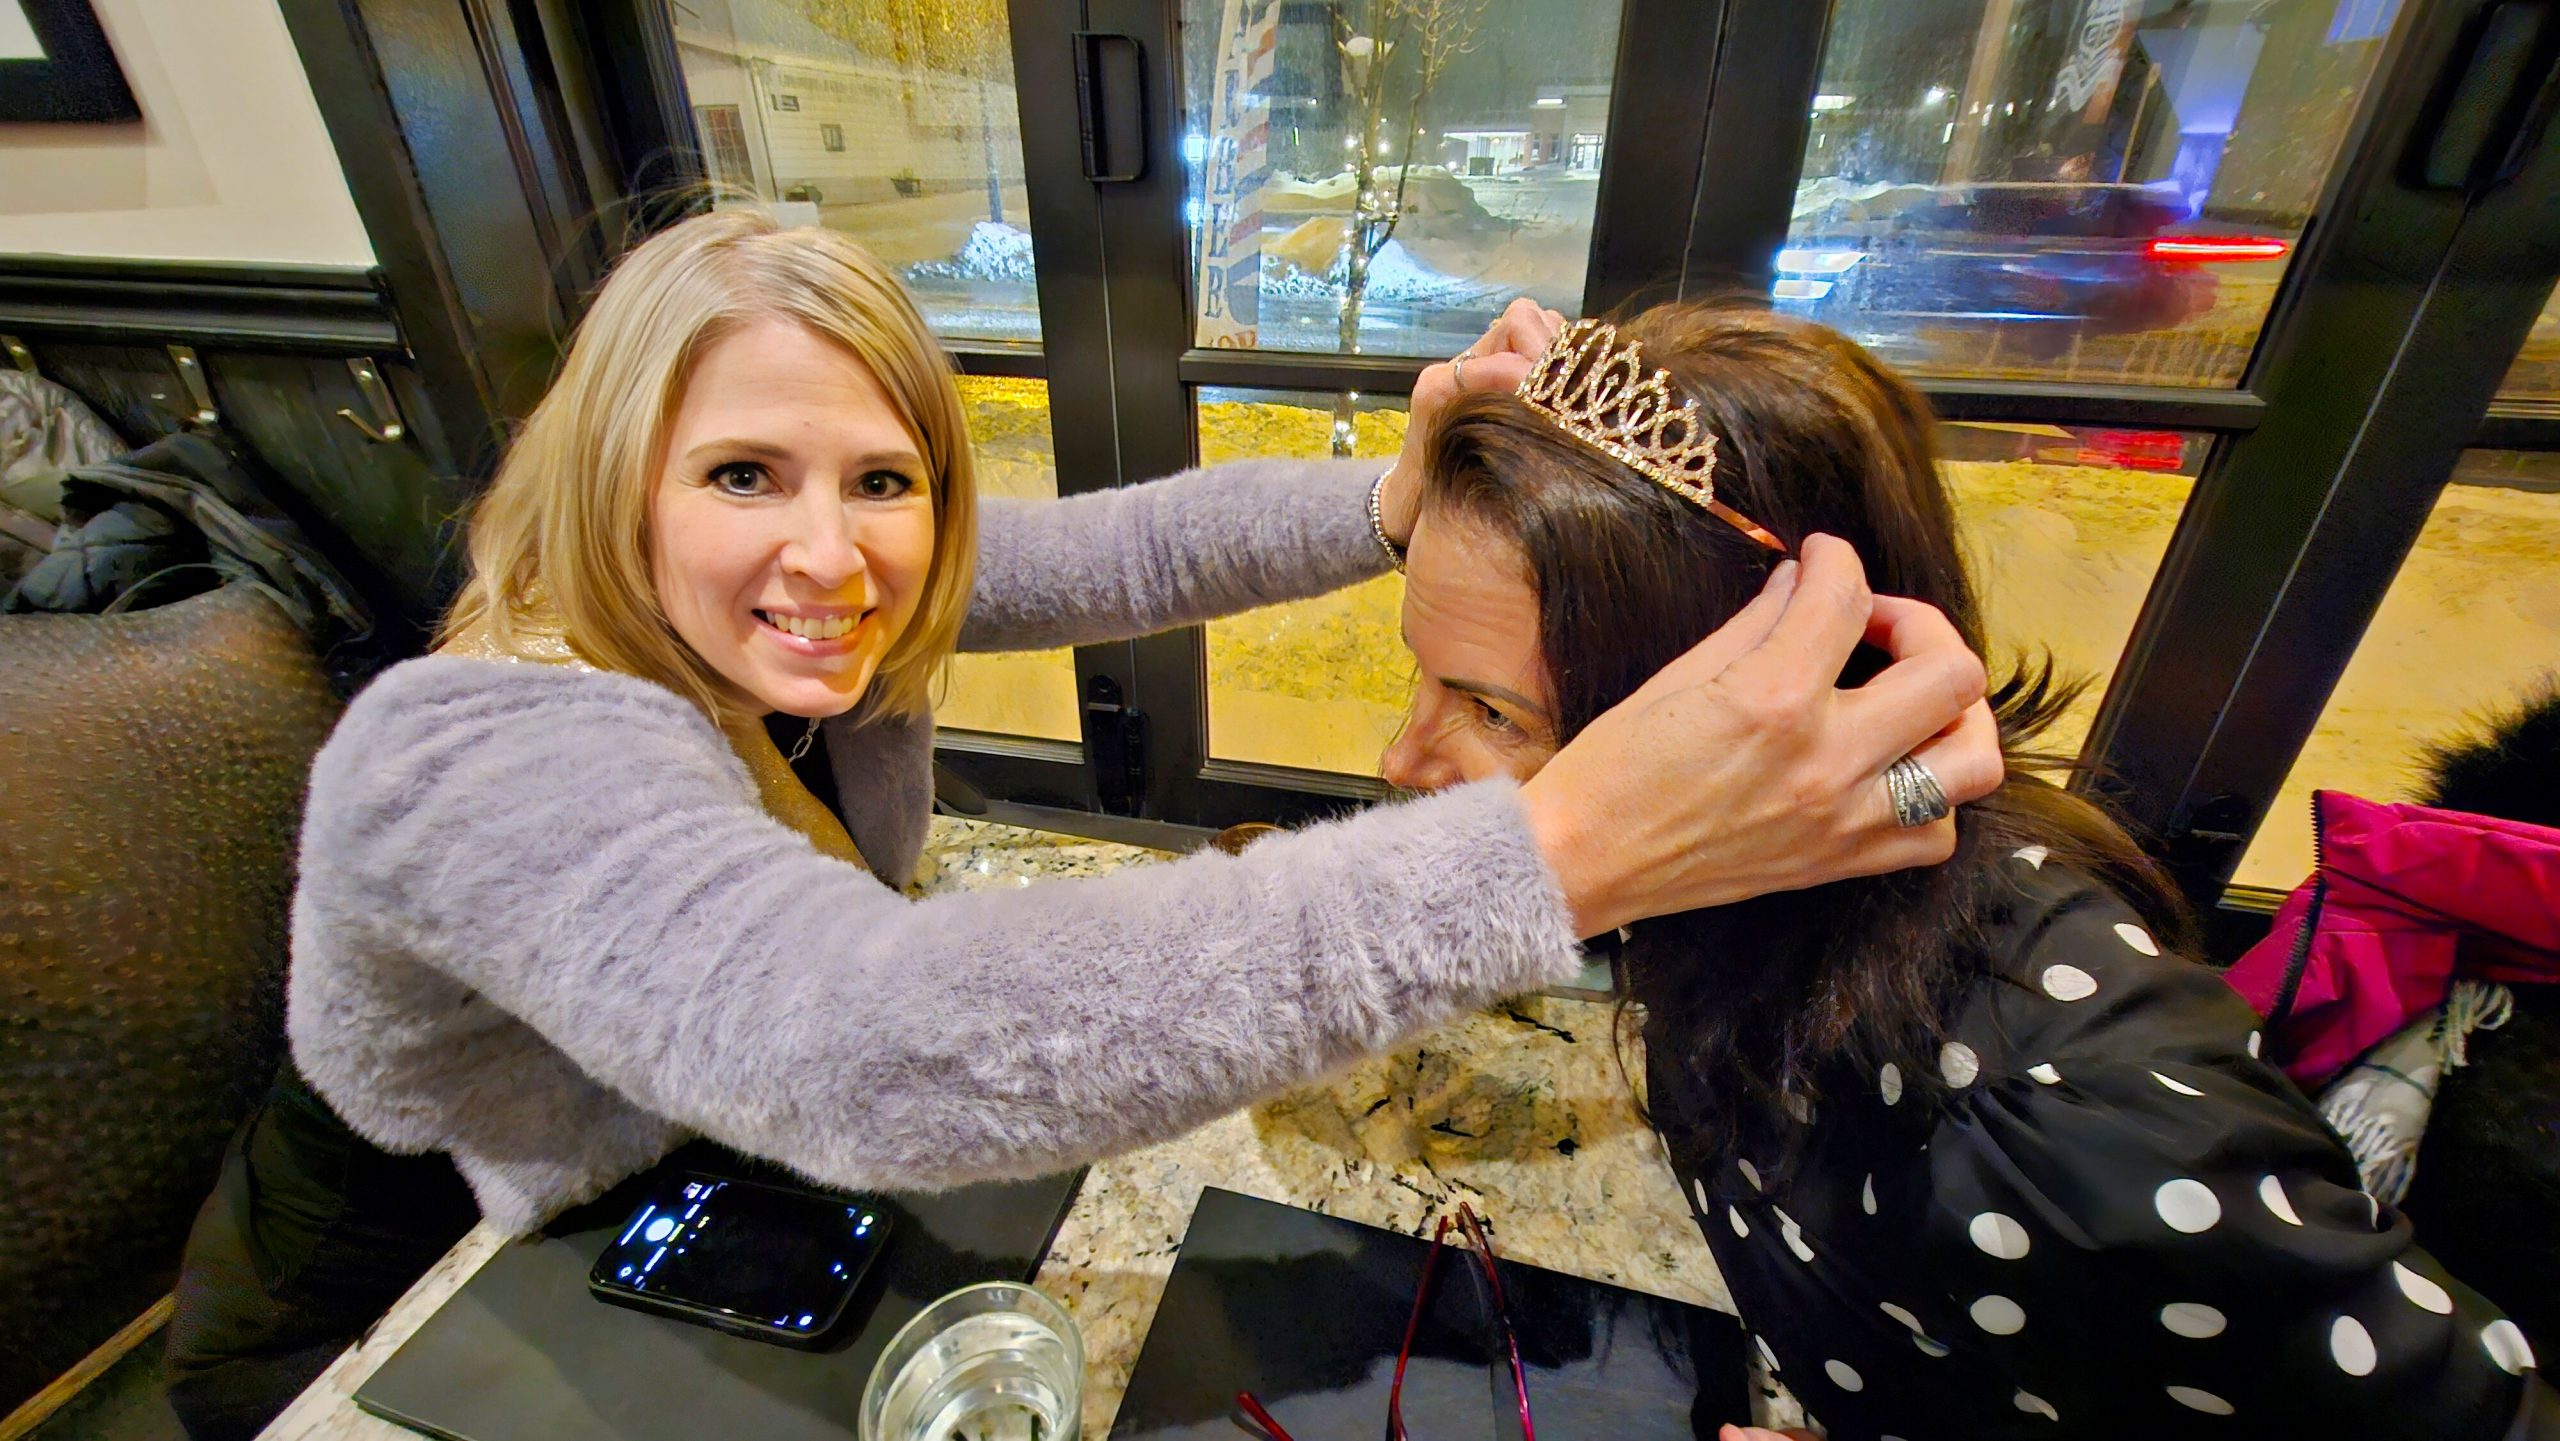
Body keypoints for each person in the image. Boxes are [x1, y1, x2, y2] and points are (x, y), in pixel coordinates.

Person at [162, 211, 1999, 1435]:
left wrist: (1399, 494)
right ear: (609, 478)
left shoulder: (819, 604)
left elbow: (1130, 550)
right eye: (741, 473)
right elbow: (867, 1047)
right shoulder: (477, 748)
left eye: (884, 477)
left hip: (706, 1178)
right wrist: (1562, 848)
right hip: (431, 1271)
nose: (831, 551)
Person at [1379, 299, 2556, 1440]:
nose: (1401, 759)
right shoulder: (1719, 923)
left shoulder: (2059, 1113)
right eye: (1425, 678)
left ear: (1772, 712)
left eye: (1492, 710)